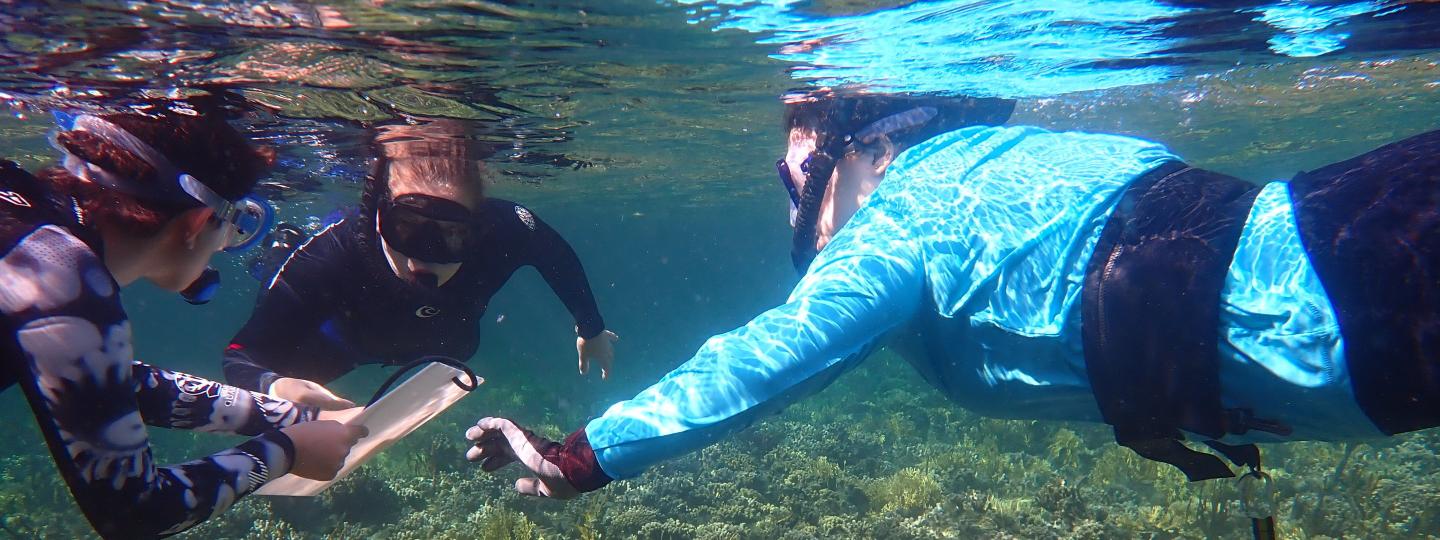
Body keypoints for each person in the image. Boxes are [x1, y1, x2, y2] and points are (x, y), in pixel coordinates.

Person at [462, 89, 1440, 500]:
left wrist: (580, 455)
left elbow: (769, 357)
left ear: (865, 146)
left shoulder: (909, 212)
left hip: (1356, 299)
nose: (797, 213)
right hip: (1354, 247)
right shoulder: (991, 160)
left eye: (795, 180)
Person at [0, 103, 367, 538]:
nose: (222, 248)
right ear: (196, 222)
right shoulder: (63, 276)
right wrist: (286, 452)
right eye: (233, 229)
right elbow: (137, 513)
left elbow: (102, 380)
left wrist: (293, 416)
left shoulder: (35, 233)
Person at [222, 118, 618, 409]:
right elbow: (241, 356)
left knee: (462, 344)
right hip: (343, 345)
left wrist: (592, 326)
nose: (421, 258)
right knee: (293, 345)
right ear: (378, 217)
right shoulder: (332, 255)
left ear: (479, 231)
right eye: (407, 228)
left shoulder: (507, 229)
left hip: (443, 341)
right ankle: (278, 249)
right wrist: (277, 387)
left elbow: (558, 257)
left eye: (451, 236)